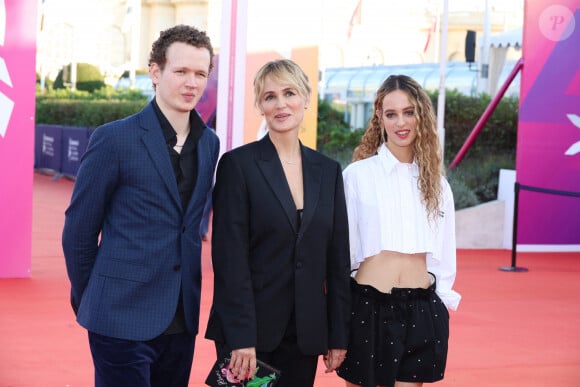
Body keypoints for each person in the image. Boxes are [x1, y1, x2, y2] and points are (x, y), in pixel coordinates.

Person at [62, 24, 219, 387]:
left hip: (181, 318)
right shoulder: (114, 138)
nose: (191, 83)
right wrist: (95, 300)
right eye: (181, 71)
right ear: (155, 71)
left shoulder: (209, 143)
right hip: (118, 317)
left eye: (200, 73)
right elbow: (79, 231)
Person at [204, 59, 351, 387]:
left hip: (304, 336)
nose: (281, 104)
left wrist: (337, 333)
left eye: (289, 93)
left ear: (307, 98)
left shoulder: (327, 171)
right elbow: (230, 260)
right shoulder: (238, 165)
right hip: (249, 336)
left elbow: (337, 260)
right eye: (270, 96)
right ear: (260, 105)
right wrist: (242, 337)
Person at [336, 75, 461, 387]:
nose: (400, 122)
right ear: (379, 118)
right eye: (391, 114)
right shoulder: (357, 176)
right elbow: (340, 252)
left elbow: (444, 253)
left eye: (409, 112)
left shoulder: (437, 184)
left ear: (421, 115)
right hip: (368, 309)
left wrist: (440, 307)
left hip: (421, 310)